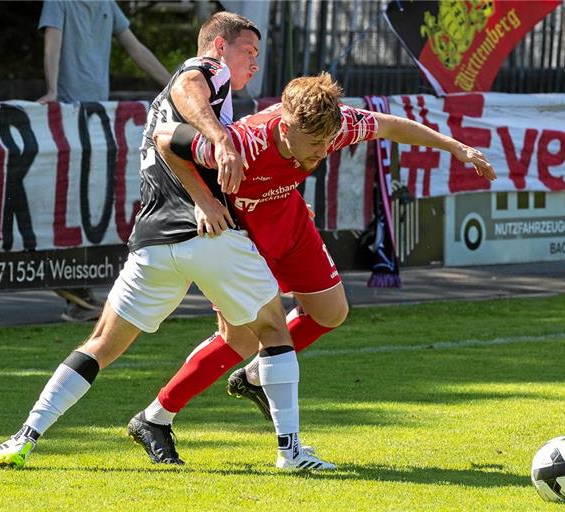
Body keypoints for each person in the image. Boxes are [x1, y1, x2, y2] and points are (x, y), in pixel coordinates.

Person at [0, 13, 334, 472]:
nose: (254, 63)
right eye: (249, 51)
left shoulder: (186, 107)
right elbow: (188, 83)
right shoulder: (204, 73)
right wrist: (218, 146)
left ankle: (23, 437)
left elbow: (172, 138)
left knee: (100, 343)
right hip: (209, 237)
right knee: (273, 330)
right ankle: (291, 452)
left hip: (151, 240)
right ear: (220, 48)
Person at [125, 72, 496, 462]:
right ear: (285, 126)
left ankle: (256, 377)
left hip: (290, 221)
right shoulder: (245, 142)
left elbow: (388, 125)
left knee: (330, 312)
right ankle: (155, 417)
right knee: (239, 339)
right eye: (314, 144)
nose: (322, 152)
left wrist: (455, 147)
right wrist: (202, 199)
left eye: (327, 143)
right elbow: (165, 139)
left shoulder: (332, 125)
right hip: (242, 235)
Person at [36, 0, 173, 322]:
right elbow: (52, 41)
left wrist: (177, 87)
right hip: (69, 117)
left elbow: (135, 48)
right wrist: (53, 89)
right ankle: (70, 282)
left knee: (90, 202)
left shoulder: (106, 4)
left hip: (98, 119)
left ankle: (77, 293)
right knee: (69, 201)